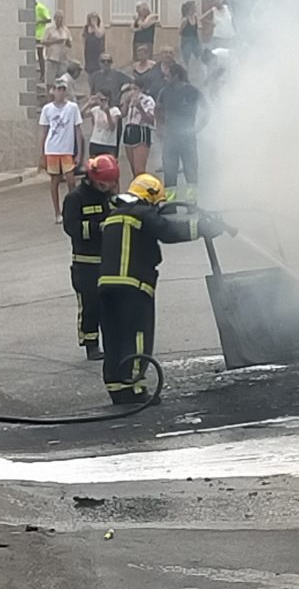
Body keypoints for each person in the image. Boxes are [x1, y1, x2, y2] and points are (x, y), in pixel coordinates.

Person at [97, 173, 224, 404]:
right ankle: (134, 389)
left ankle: (116, 389)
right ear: (151, 197)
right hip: (134, 288)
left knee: (114, 337)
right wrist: (204, 226)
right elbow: (169, 232)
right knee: (136, 336)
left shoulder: (114, 216)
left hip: (106, 288)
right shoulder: (143, 213)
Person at [61, 154, 119, 361]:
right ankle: (91, 344)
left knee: (112, 304)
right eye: (106, 183)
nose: (110, 187)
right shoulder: (75, 199)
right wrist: (99, 228)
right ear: (93, 179)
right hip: (85, 264)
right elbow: (72, 228)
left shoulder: (108, 197)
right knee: (90, 305)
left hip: (108, 261)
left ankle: (113, 341)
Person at [156, 63, 209, 202]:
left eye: (168, 76)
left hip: (187, 139)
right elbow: (158, 110)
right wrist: (160, 127)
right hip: (170, 139)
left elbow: (207, 110)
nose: (165, 79)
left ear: (176, 76)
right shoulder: (164, 92)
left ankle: (192, 203)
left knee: (190, 171)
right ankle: (171, 203)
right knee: (169, 172)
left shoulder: (192, 91)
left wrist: (197, 128)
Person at [38, 78, 83, 223]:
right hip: (52, 149)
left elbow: (78, 131)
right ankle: (57, 212)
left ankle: (73, 209)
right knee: (55, 180)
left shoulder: (72, 108)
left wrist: (79, 153)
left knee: (71, 181)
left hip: (67, 150)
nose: (61, 92)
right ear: (53, 91)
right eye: (58, 89)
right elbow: (44, 132)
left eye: (63, 89)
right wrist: (42, 154)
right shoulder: (47, 109)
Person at [121, 81, 156, 178]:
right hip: (129, 129)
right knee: (133, 168)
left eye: (135, 89)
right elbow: (122, 114)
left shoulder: (147, 100)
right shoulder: (129, 101)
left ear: (141, 89)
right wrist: (126, 102)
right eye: (131, 89)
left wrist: (140, 108)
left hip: (141, 130)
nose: (133, 92)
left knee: (139, 169)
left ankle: (142, 188)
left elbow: (151, 119)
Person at [82, 91, 121, 158]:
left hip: (108, 144)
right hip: (95, 142)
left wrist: (107, 113)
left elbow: (112, 127)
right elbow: (81, 115)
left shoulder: (114, 110)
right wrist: (88, 104)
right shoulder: (95, 110)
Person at [42, 11, 72, 87]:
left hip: (62, 59)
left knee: (61, 80)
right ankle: (49, 96)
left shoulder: (66, 30)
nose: (59, 20)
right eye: (58, 18)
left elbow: (70, 45)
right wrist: (55, 41)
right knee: (50, 81)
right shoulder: (49, 30)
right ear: (54, 19)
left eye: (61, 18)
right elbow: (43, 42)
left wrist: (67, 41)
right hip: (52, 58)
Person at [179, 0, 202, 67]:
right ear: (191, 8)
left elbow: (196, 30)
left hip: (195, 40)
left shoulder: (195, 17)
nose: (196, 8)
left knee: (199, 55)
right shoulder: (185, 20)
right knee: (186, 58)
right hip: (187, 40)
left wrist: (199, 40)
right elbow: (180, 31)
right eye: (194, 7)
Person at [82, 12, 106, 77]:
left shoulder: (100, 26)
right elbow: (84, 40)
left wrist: (95, 25)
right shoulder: (86, 27)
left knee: (98, 70)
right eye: (92, 18)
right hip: (89, 52)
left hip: (98, 52)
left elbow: (99, 35)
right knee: (90, 71)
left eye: (95, 18)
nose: (93, 19)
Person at [35, 0, 52, 82]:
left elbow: (49, 19)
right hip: (31, 34)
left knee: (40, 55)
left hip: (40, 35)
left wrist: (39, 21)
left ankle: (42, 75)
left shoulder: (41, 8)